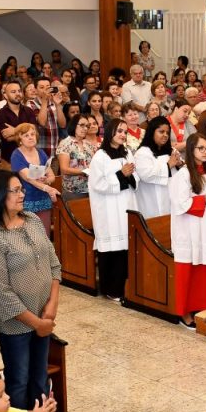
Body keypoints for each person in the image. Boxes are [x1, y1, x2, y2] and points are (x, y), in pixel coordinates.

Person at [0, 171, 74, 412]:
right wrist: (37, 322)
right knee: (18, 381)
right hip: (15, 324)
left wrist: (51, 308)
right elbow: (0, 292)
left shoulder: (31, 221)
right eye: (15, 191)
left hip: (43, 316)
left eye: (21, 189)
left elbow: (54, 265)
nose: (22, 195)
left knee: (40, 377)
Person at [170, 134, 206, 329]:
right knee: (188, 272)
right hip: (188, 229)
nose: (205, 152)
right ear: (191, 150)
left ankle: (202, 310)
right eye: (201, 148)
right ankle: (183, 313)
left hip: (205, 227)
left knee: (204, 271)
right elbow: (180, 204)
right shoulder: (182, 175)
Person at [88, 119, 137, 301]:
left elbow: (136, 177)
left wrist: (130, 175)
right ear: (110, 132)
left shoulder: (127, 153)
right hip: (108, 210)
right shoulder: (100, 157)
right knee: (112, 250)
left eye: (125, 131)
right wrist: (121, 174)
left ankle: (125, 288)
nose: (123, 135)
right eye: (119, 131)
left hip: (126, 204)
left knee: (125, 249)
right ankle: (111, 289)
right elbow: (98, 184)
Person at [10, 123, 60, 236]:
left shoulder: (41, 152)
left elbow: (52, 176)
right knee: (29, 236)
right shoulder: (16, 155)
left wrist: (46, 180)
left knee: (45, 234)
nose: (31, 137)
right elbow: (29, 178)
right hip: (25, 201)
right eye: (26, 135)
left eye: (32, 134)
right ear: (19, 139)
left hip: (43, 199)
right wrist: (47, 188)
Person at [133, 116, 179, 218]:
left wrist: (179, 165)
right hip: (151, 201)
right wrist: (169, 165)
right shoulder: (143, 152)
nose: (165, 135)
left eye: (167, 133)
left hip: (170, 199)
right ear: (152, 132)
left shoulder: (171, 150)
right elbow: (146, 175)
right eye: (161, 132)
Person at [54, 114, 96, 198]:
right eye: (82, 125)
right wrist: (84, 171)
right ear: (74, 125)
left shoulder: (88, 144)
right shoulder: (65, 143)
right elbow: (64, 169)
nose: (85, 128)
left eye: (87, 126)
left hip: (91, 189)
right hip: (73, 191)